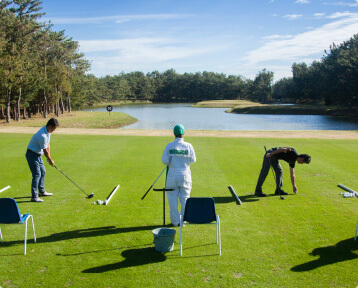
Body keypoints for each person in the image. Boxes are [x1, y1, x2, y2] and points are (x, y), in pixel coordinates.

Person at [161, 124, 196, 226]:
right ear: (183, 133)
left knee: (172, 200)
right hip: (185, 175)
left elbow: (164, 161)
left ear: (174, 134)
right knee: (185, 198)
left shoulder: (169, 146)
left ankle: (175, 222)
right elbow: (193, 160)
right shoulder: (189, 146)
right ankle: (184, 220)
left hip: (172, 176)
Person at [26, 118, 59, 202]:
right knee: (37, 174)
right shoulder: (42, 135)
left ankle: (41, 191)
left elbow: (48, 145)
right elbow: (45, 151)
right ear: (49, 126)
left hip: (37, 155)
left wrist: (49, 158)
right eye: (54, 128)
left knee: (43, 172)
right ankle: (34, 196)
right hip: (32, 155)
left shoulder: (48, 132)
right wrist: (50, 159)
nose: (54, 130)